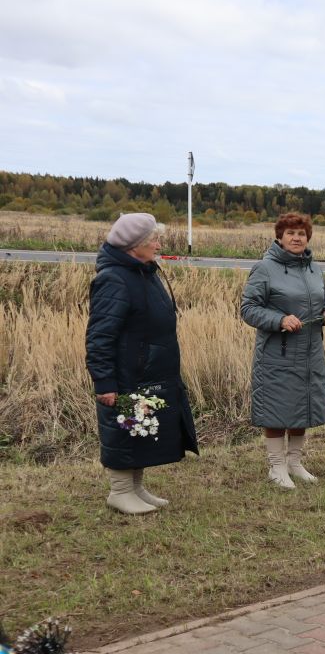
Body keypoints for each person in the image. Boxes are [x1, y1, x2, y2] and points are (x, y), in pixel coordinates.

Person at [86, 212, 199, 514]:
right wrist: (105, 382)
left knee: (141, 427)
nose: (159, 245)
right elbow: (99, 337)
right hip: (127, 374)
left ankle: (136, 488)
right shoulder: (113, 279)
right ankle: (120, 491)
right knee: (124, 429)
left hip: (146, 371)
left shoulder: (144, 272)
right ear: (134, 245)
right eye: (154, 240)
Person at [240, 212, 325, 489]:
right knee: (276, 408)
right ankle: (276, 466)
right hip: (277, 354)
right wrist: (279, 319)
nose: (296, 238)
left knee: (302, 406)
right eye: (291, 233)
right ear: (279, 237)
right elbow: (248, 309)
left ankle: (294, 463)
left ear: (308, 238)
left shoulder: (314, 269)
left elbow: (323, 302)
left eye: (301, 234)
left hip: (310, 353)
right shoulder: (264, 268)